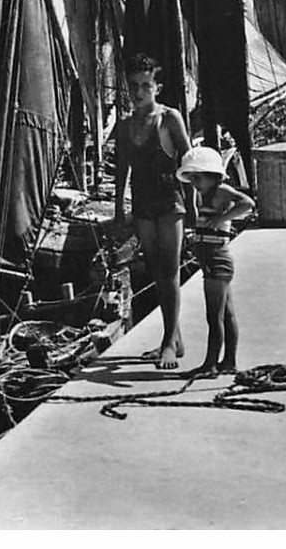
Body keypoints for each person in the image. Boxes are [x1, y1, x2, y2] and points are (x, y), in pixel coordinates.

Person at [113, 53, 193, 370]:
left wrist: (195, 206)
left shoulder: (169, 118)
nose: (139, 92)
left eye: (145, 85)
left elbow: (189, 162)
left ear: (156, 86)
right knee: (157, 272)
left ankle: (167, 342)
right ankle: (176, 337)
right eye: (133, 86)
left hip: (170, 200)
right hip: (143, 202)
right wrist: (120, 208)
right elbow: (121, 170)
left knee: (170, 271)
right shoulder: (124, 126)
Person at [177, 146, 253, 379]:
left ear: (211, 175)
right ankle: (228, 361)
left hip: (217, 260)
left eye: (197, 177)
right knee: (226, 313)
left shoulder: (222, 191)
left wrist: (221, 219)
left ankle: (210, 364)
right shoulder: (204, 194)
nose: (194, 182)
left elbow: (247, 203)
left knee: (214, 315)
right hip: (209, 259)